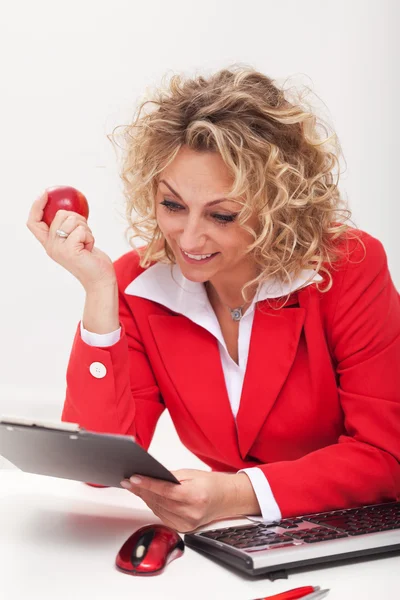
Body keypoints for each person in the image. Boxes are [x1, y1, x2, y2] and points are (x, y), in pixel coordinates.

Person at [27, 65, 400, 534]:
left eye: (222, 215)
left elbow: (388, 456)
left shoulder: (349, 267)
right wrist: (99, 292)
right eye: (173, 205)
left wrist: (237, 493)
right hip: (232, 547)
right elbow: (98, 465)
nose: (190, 237)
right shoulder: (137, 284)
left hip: (359, 537)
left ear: (278, 206)